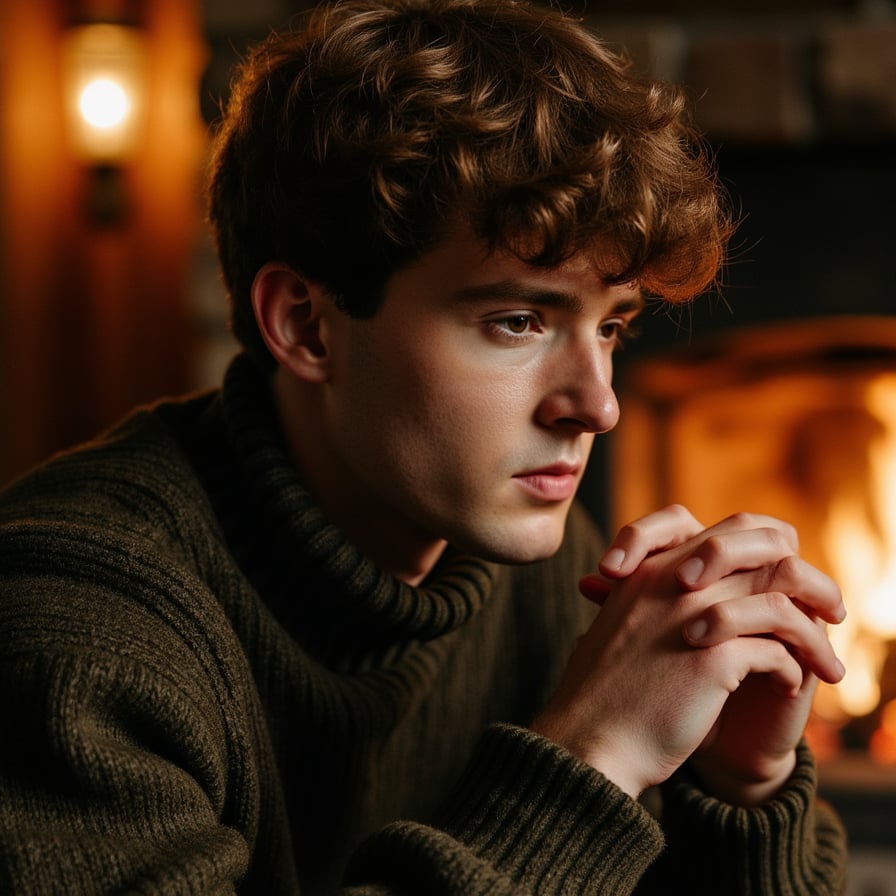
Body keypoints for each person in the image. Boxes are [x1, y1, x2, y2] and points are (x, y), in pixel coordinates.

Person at [0, 0, 849, 893]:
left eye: (612, 330)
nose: (598, 407)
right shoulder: (69, 636)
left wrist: (739, 787)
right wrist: (593, 761)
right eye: (518, 321)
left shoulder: (546, 584)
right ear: (306, 326)